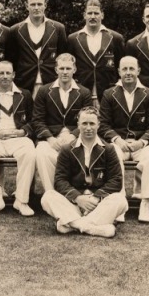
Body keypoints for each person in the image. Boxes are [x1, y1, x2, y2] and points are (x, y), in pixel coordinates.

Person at [41, 106, 128, 238]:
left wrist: (96, 198)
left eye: (92, 123)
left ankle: (70, 225)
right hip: (74, 203)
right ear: (78, 125)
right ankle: (92, 228)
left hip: (98, 204)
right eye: (84, 123)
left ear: (98, 125)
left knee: (120, 200)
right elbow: (60, 181)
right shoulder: (66, 150)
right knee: (48, 197)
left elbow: (116, 180)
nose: (88, 128)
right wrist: (78, 198)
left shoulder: (109, 149)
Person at [98, 56, 149, 222]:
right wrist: (117, 140)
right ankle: (119, 204)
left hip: (141, 144)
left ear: (138, 71)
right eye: (124, 69)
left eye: (131, 69)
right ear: (118, 71)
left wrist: (142, 142)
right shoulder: (109, 94)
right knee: (113, 154)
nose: (128, 73)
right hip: (119, 143)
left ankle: (145, 203)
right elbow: (103, 125)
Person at [0, 61, 37, 217]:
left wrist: (22, 132)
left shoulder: (25, 94)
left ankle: (21, 200)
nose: (5, 76)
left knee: (30, 153)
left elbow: (33, 121)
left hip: (18, 138)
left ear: (13, 74)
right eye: (1, 73)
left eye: (8, 73)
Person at [32, 53, 93, 192]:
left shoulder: (84, 92)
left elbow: (89, 119)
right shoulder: (44, 91)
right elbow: (37, 119)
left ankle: (76, 192)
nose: (65, 72)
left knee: (84, 152)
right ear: (56, 70)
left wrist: (73, 135)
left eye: (68, 68)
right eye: (62, 68)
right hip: (51, 137)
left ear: (74, 69)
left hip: (76, 137)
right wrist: (50, 139)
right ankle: (51, 193)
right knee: (42, 152)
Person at [7, 0, 68, 95]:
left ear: (45, 5)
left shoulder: (58, 28)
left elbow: (63, 58)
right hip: (24, 85)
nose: (36, 7)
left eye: (39, 4)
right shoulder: (15, 30)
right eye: (33, 4)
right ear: (27, 6)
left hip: (52, 84)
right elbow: (12, 60)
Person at [67, 0, 125, 106]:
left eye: (96, 13)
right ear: (84, 15)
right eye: (89, 13)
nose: (93, 16)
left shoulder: (115, 38)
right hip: (81, 93)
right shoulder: (73, 39)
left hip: (108, 94)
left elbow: (121, 67)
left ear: (102, 15)